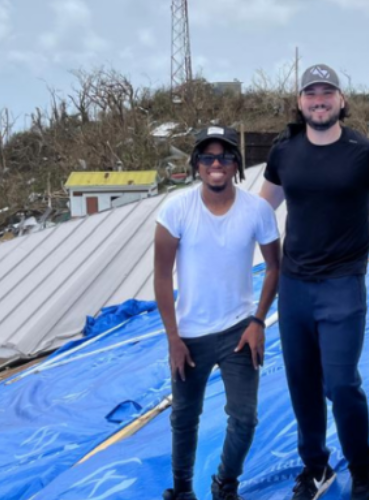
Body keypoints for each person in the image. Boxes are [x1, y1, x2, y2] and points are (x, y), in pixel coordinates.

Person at [258, 64, 369, 500]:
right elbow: (259, 213)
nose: (318, 100)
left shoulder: (367, 153)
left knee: (341, 383)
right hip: (295, 285)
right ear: (300, 102)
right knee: (302, 381)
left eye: (327, 93)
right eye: (310, 93)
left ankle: (362, 469)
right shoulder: (285, 151)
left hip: (343, 284)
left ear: (341, 100)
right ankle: (316, 467)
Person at [155, 126, 282, 500]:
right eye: (208, 157)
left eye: (225, 157)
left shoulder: (257, 210)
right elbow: (162, 275)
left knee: (244, 418)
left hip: (239, 331)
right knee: (184, 418)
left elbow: (275, 266)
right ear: (196, 165)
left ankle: (225, 484)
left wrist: (258, 322)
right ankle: (181, 491)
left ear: (236, 165)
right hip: (190, 335)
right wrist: (173, 338)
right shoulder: (176, 209)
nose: (216, 163)